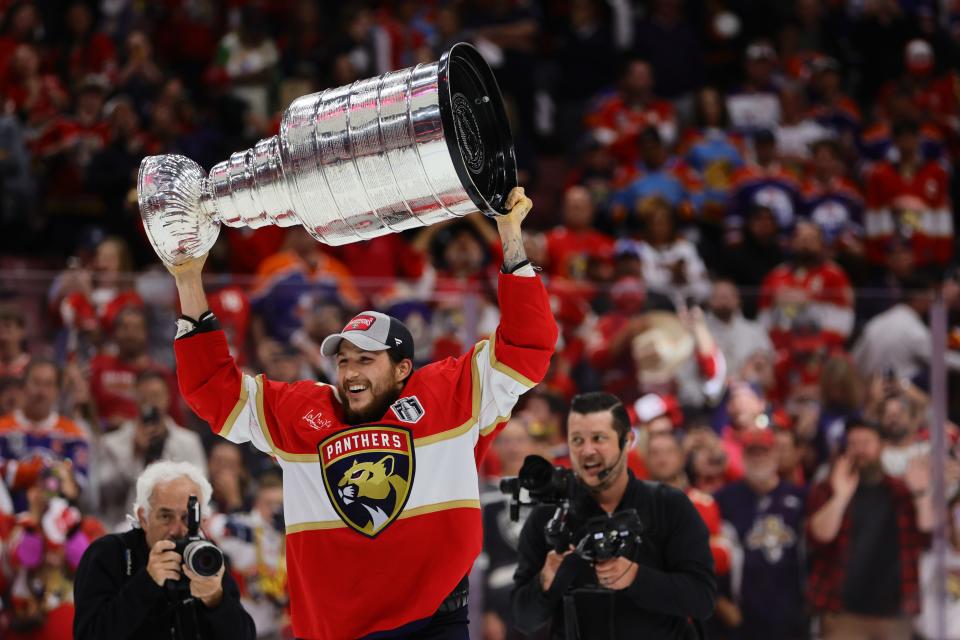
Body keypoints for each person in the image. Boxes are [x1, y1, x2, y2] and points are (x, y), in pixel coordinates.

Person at [169, 187, 557, 639]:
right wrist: (188, 279)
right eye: (344, 359)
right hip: (337, 630)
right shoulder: (301, 412)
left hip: (435, 621)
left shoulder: (451, 394)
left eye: (366, 360)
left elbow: (527, 347)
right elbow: (213, 392)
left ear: (402, 369)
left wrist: (510, 236)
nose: (350, 371)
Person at [512, 392, 715, 639]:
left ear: (627, 441)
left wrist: (636, 577)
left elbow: (702, 599)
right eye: (577, 440)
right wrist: (544, 582)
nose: (587, 451)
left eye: (599, 438)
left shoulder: (669, 504)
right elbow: (523, 619)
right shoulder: (549, 516)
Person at [72, 461, 255, 640]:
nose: (178, 530)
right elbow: (89, 634)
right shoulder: (109, 553)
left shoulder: (207, 558)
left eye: (187, 518)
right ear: (143, 518)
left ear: (202, 520)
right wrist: (147, 582)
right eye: (166, 516)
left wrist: (216, 600)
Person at [806, 418, 932, 640]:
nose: (859, 451)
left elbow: (928, 532)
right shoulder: (827, 488)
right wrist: (840, 497)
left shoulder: (900, 490)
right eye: (853, 444)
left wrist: (921, 494)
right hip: (843, 614)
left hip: (895, 615)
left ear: (881, 446)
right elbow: (820, 536)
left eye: (866, 443)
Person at [714, 428, 808, 639]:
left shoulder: (800, 498)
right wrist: (720, 602)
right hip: (742, 615)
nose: (758, 458)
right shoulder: (724, 499)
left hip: (792, 614)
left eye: (764, 452)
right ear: (743, 456)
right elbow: (709, 555)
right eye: (752, 453)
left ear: (776, 454)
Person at [97, 370, 208, 530]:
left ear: (168, 398)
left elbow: (200, 489)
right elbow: (103, 494)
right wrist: (135, 455)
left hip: (176, 526)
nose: (151, 403)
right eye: (144, 397)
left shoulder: (188, 442)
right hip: (124, 525)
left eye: (156, 396)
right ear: (135, 399)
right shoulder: (113, 442)